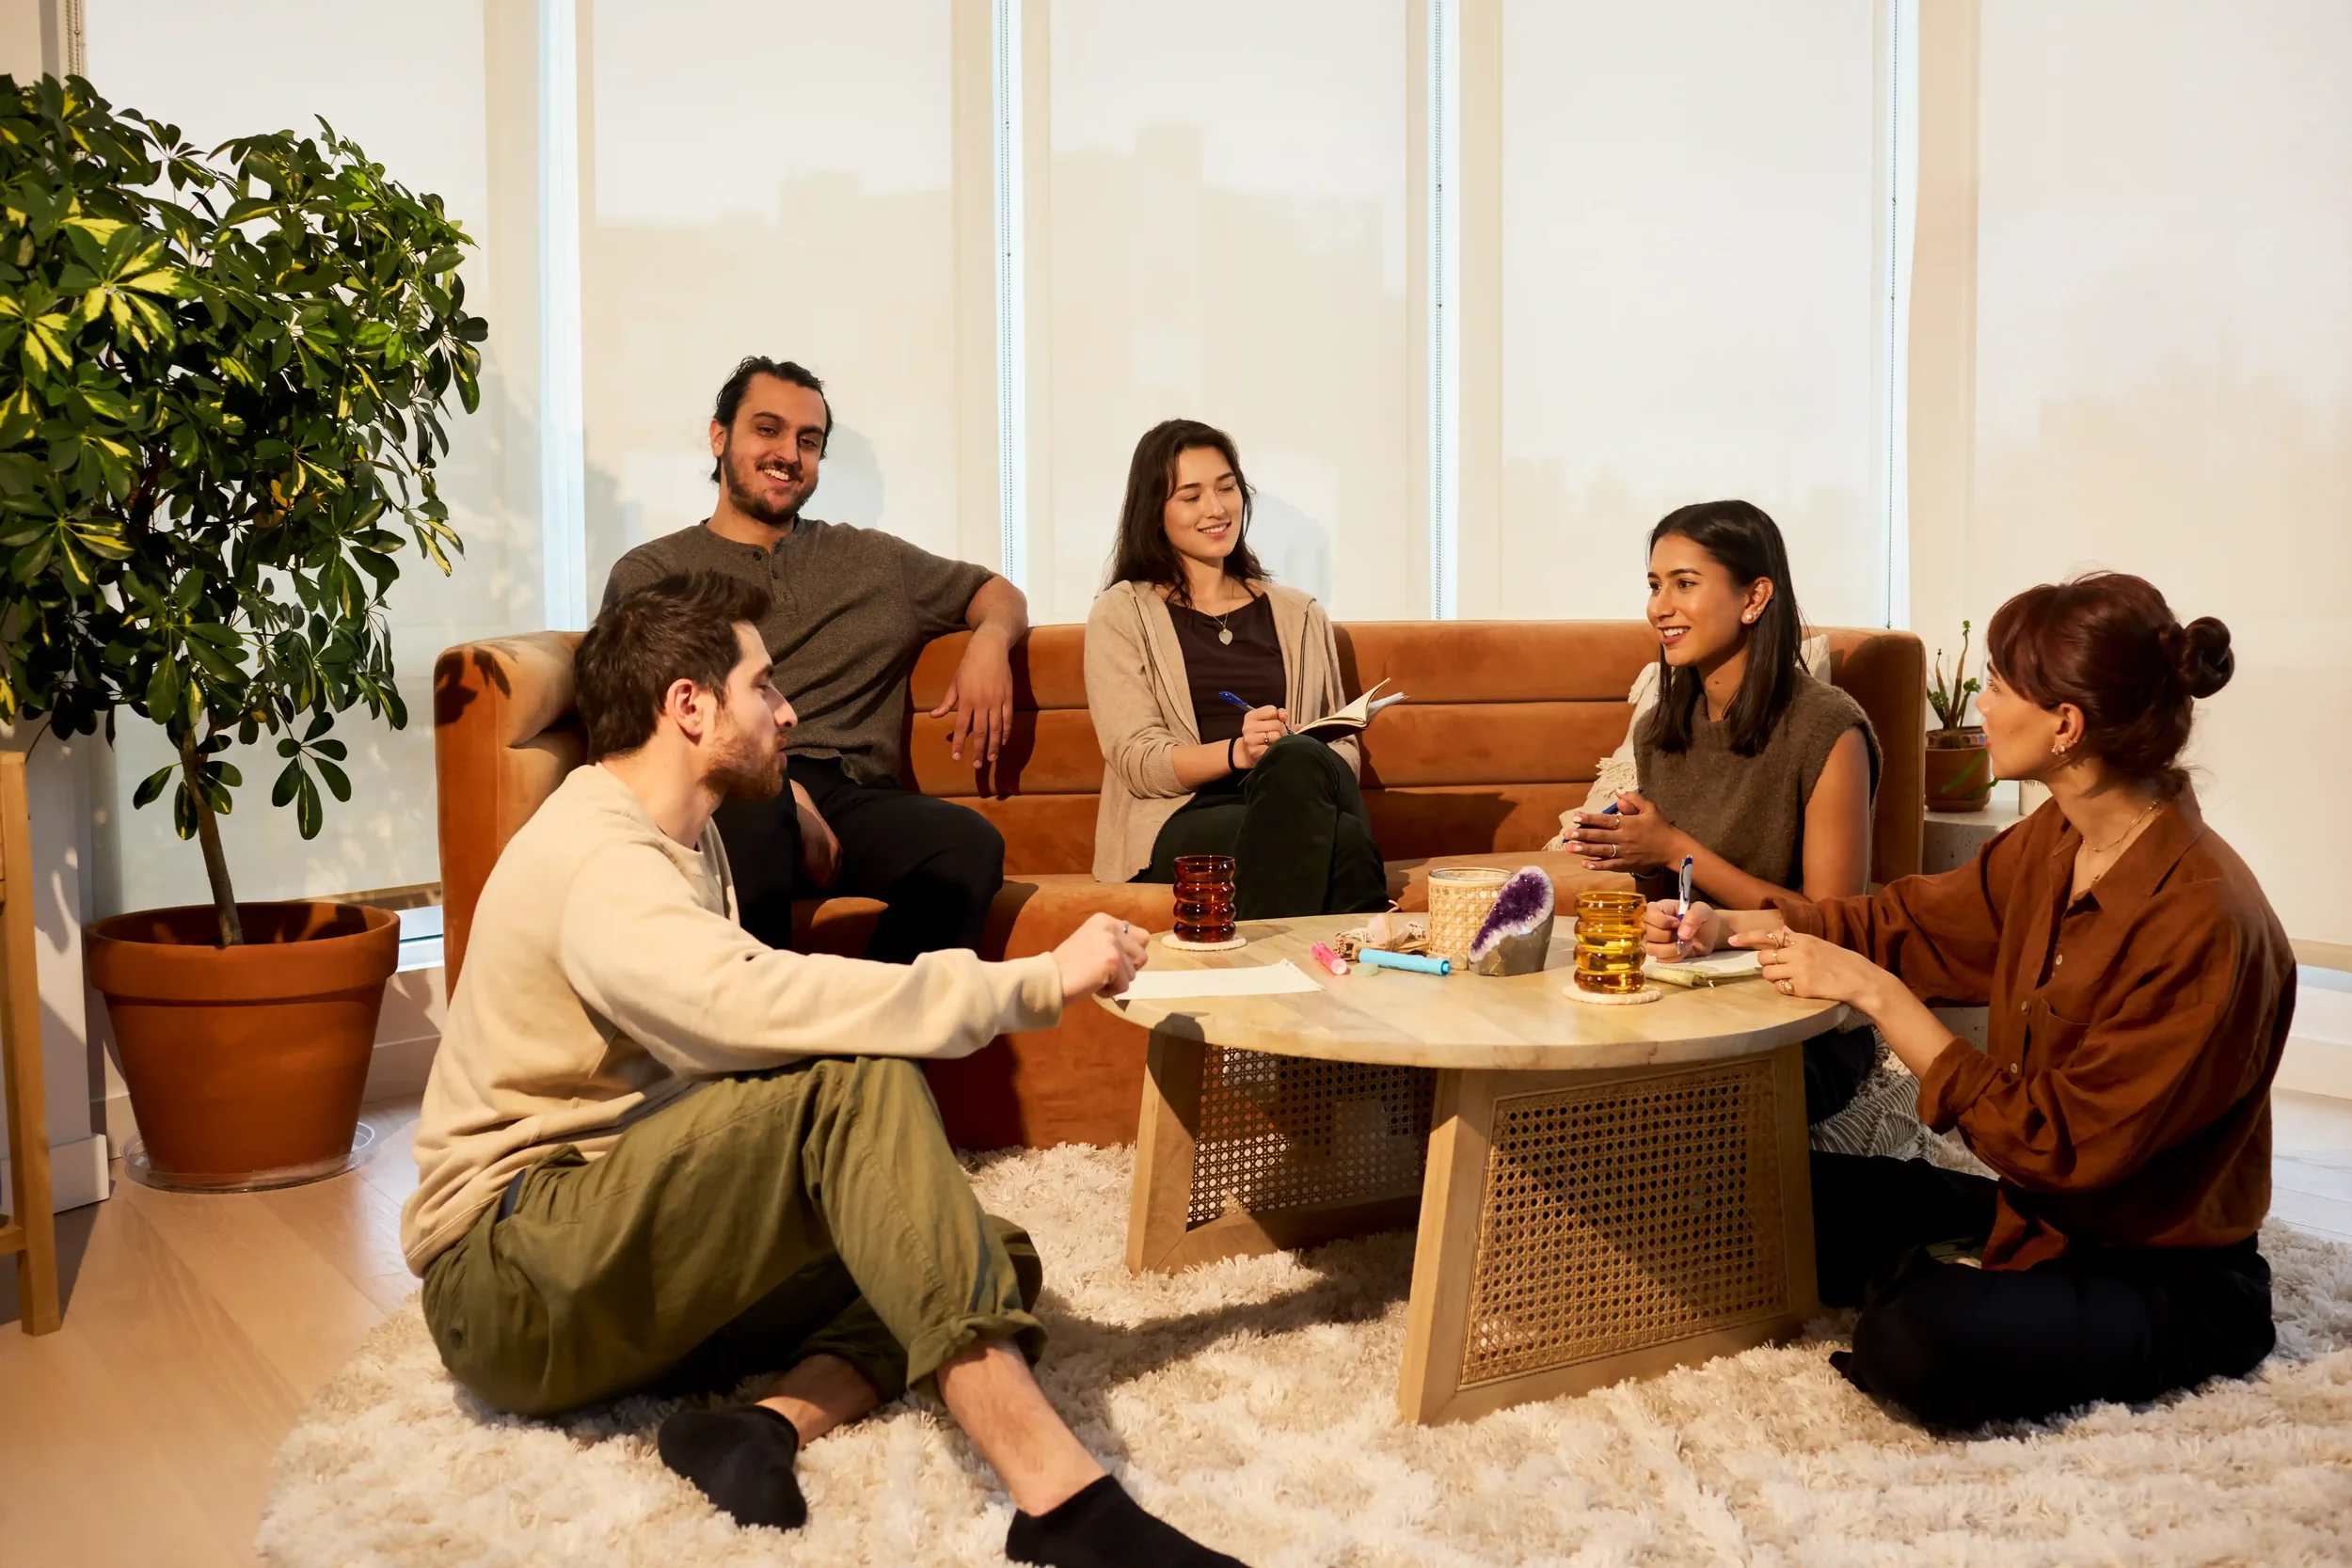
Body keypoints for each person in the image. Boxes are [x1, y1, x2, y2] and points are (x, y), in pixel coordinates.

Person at [401, 572, 1246, 1565]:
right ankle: (1064, 1505)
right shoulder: (599, 857)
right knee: (855, 1080)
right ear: (688, 705)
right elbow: (743, 1007)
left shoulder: (684, 837)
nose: (787, 709)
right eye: (763, 685)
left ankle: (764, 1423)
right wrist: (1033, 980)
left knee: (981, 1251)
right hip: (511, 1279)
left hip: (613, 1251)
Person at [1646, 572, 2292, 1429]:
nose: (1978, 704)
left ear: (2066, 725)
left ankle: (1938, 1288)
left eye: (1996, 684)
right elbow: (1906, 923)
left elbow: (2054, 1144)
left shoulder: (2203, 920)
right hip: (2039, 1217)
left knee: (1913, 1340)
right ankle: (1953, 1257)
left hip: (2161, 1272)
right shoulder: (2057, 840)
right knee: (1758, 1192)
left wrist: (1879, 995)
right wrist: (1734, 926)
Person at [603, 356, 1025, 963]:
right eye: (767, 430)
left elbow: (995, 593)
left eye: (809, 440)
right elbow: (637, 724)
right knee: (754, 813)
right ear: (719, 437)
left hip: (853, 799)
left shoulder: (874, 561)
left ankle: (871, 1022)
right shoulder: (655, 571)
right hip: (727, 792)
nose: (789, 454)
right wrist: (782, 791)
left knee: (968, 845)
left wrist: (990, 641)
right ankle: (754, 1018)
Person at [1565, 499, 1882, 1121]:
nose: (1659, 607)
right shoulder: (1660, 731)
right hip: (1692, 1000)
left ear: (1754, 598)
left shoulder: (1828, 729)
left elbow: (1833, 923)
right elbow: (1673, 907)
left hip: (1804, 1018)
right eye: (1654, 585)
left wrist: (1671, 847)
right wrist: (1643, 870)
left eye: (1684, 583)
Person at [1086, 419, 1388, 918]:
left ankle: (1264, 961)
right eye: (1191, 496)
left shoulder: (1300, 613)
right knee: (1346, 841)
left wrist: (1291, 746)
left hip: (1302, 790)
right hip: (1185, 814)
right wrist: (1240, 753)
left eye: (1226, 488)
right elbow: (1139, 762)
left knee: (1296, 759)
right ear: (1154, 511)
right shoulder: (1122, 613)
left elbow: (1344, 751)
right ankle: (1357, 958)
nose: (1216, 508)